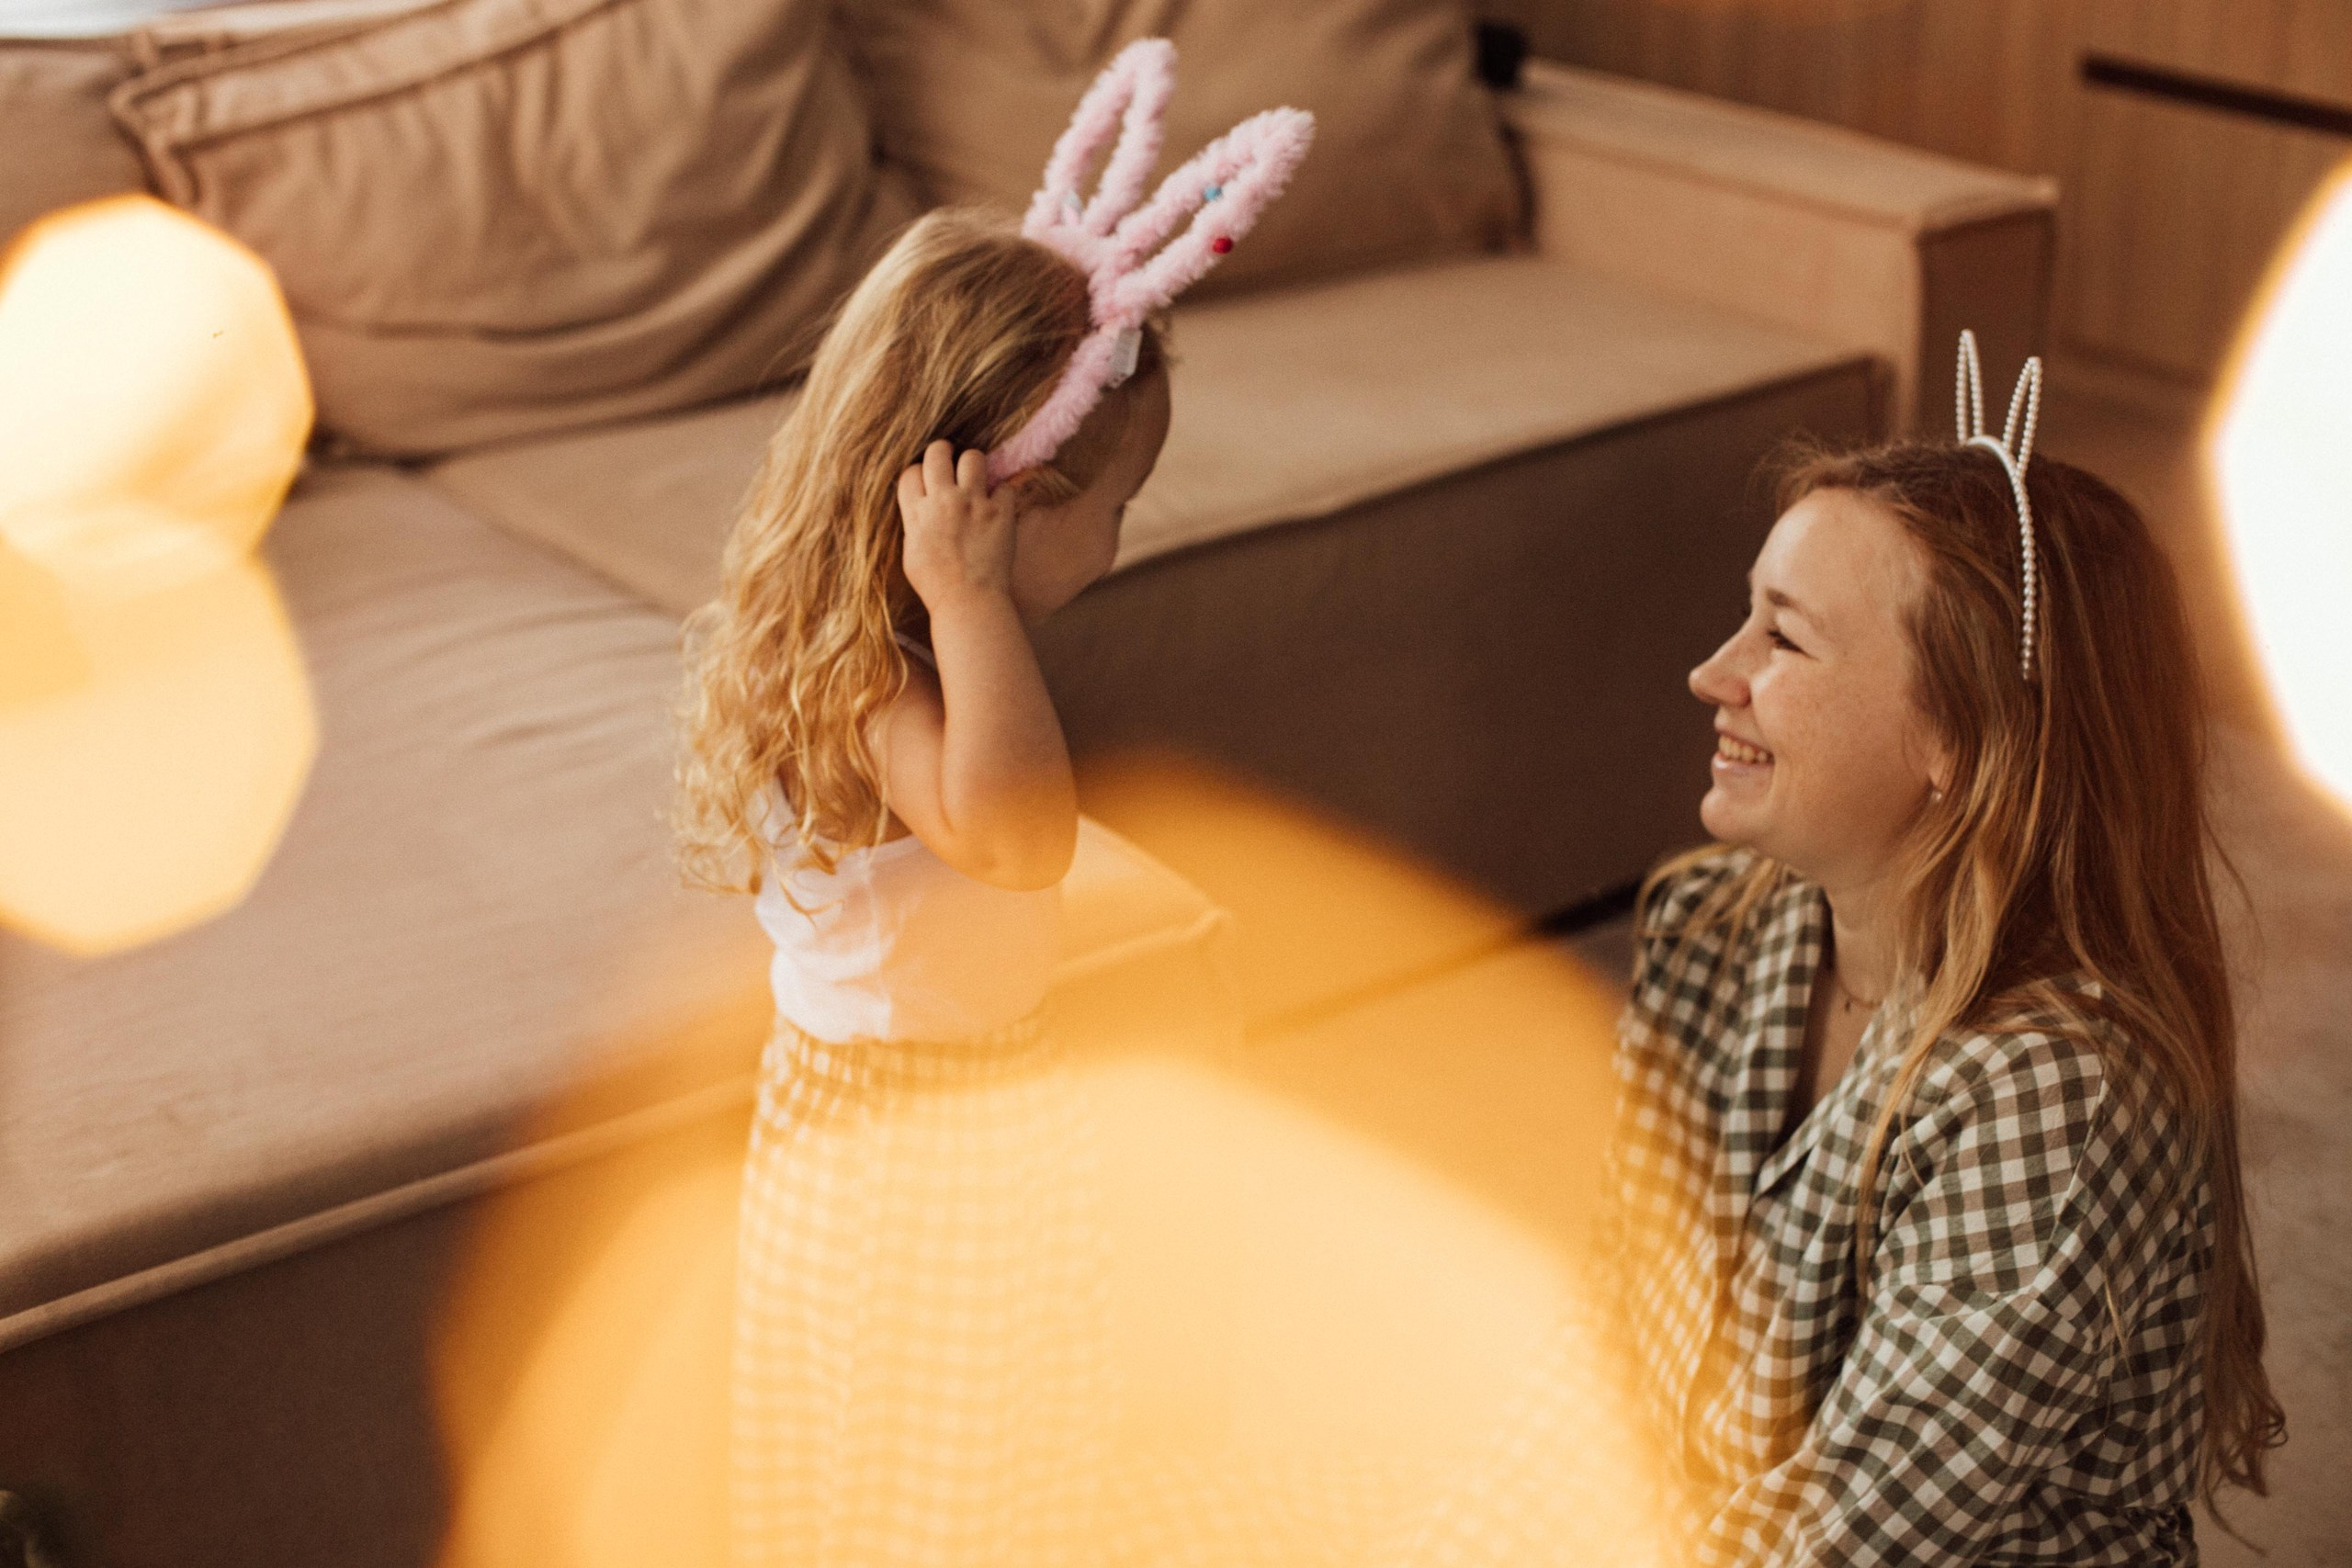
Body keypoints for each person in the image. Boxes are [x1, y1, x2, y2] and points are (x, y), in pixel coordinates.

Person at [671, 40, 1311, 1568]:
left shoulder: (878, 643)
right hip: (909, 1157)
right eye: (1115, 509)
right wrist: (970, 605)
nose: (1124, 545)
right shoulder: (860, 680)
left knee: (993, 1439)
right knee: (922, 1475)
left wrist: (970, 610)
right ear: (998, 503)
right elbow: (1021, 845)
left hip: (965, 1113)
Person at [1611, 337, 2285, 1565]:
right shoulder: (1716, 925)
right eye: (1742, 617)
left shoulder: (2063, 1099)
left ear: (1962, 743)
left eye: (1787, 640)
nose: (1714, 674)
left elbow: (1842, 1543)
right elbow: (1611, 1319)